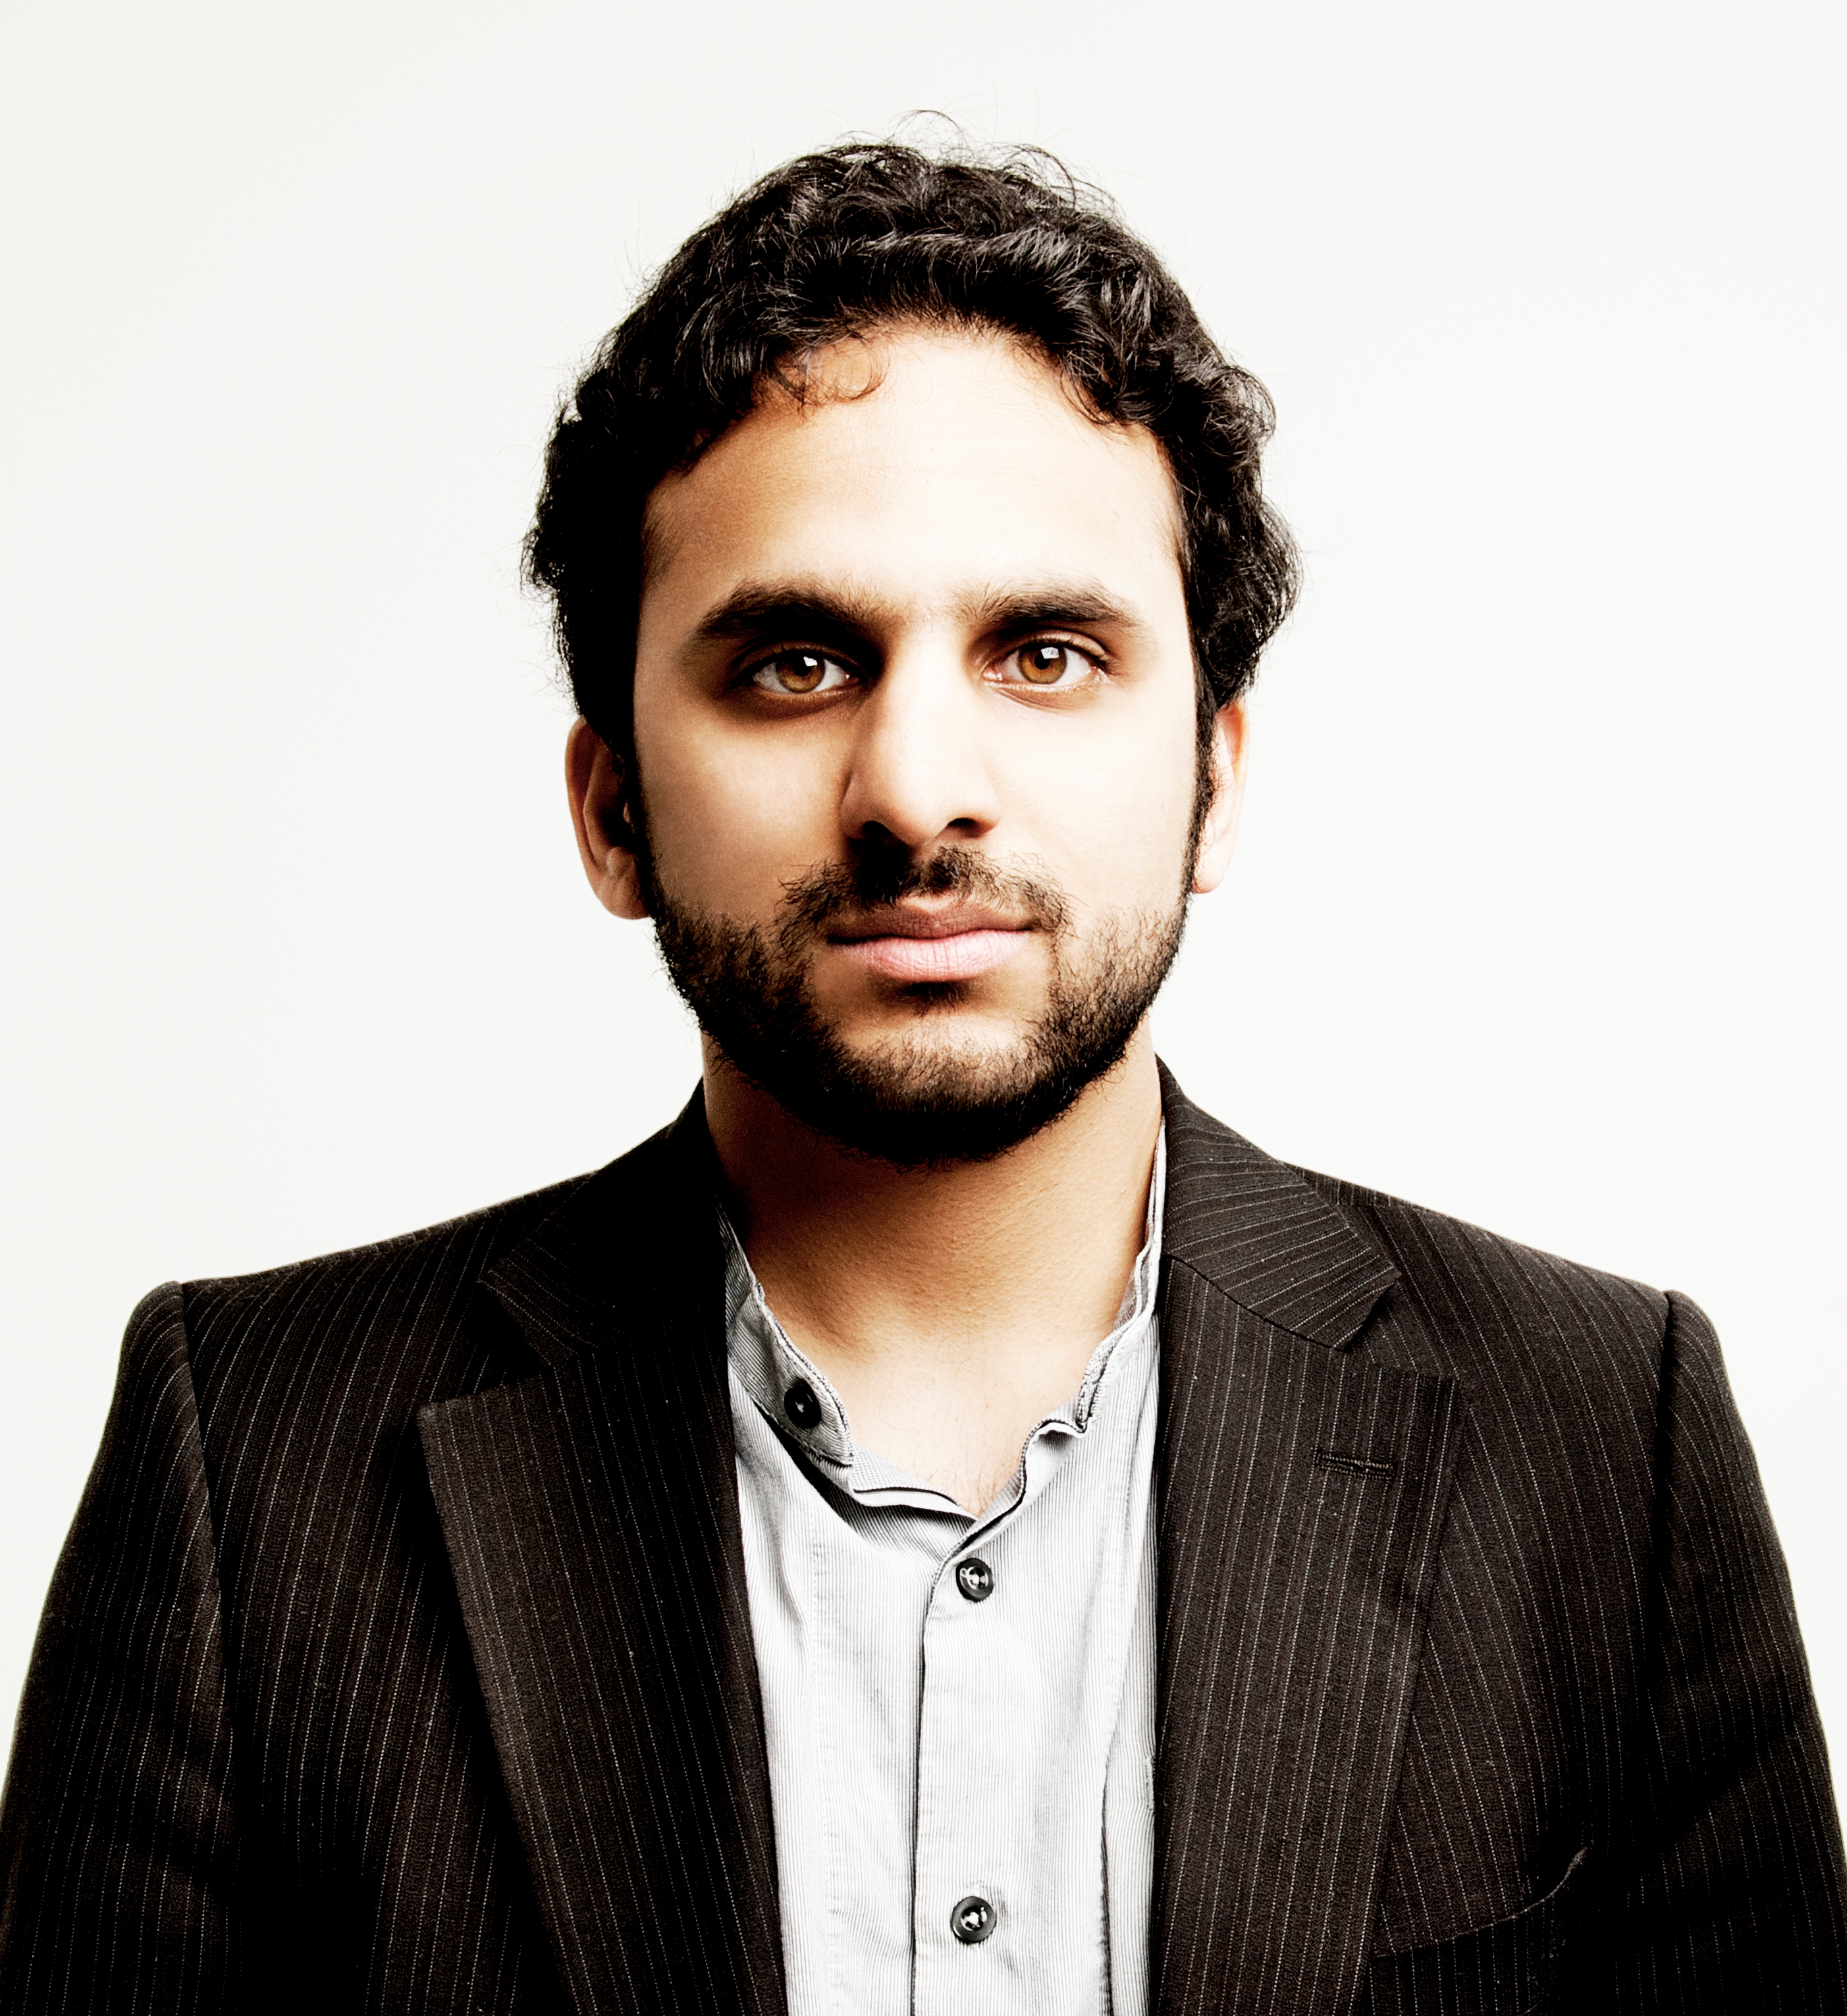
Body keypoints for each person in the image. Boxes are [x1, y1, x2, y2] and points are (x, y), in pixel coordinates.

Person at [1, 139, 1841, 2016]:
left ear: (1214, 776)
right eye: (796, 664)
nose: (916, 791)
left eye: (1045, 653)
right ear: (612, 808)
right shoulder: (250, 1464)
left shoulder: (1605, 1444)